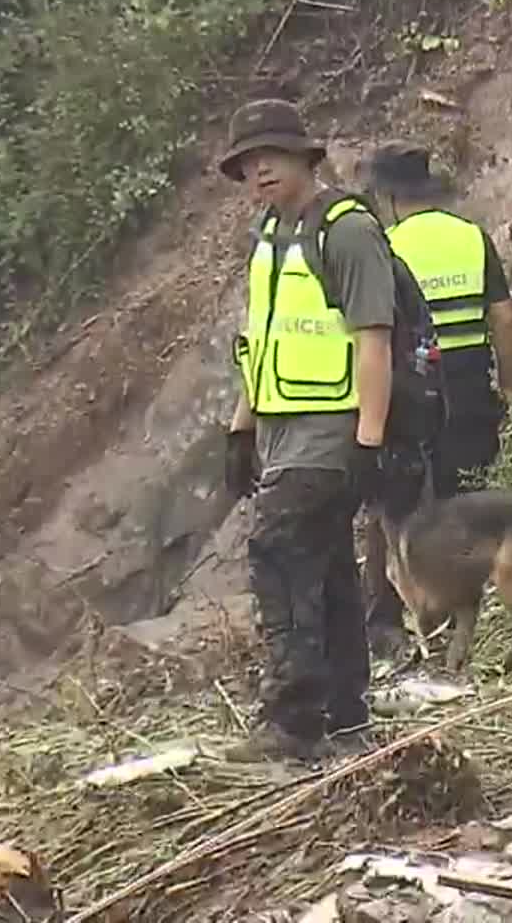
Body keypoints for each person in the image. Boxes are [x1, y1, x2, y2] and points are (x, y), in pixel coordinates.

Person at [220, 98, 392, 762]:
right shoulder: (270, 235)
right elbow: (259, 341)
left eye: (272, 156)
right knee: (325, 565)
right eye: (248, 161)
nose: (260, 169)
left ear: (304, 157)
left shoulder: (345, 232)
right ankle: (346, 713)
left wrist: (370, 441)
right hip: (283, 429)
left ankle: (293, 720)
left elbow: (374, 340)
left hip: (335, 429)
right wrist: (241, 428)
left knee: (278, 548)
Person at [354, 140, 512, 656]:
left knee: (394, 504)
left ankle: (392, 615)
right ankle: (473, 605)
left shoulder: (384, 246)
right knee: (466, 497)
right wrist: (508, 383)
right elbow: (503, 319)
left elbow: (369, 332)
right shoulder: (471, 236)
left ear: (387, 196)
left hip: (408, 386)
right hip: (470, 384)